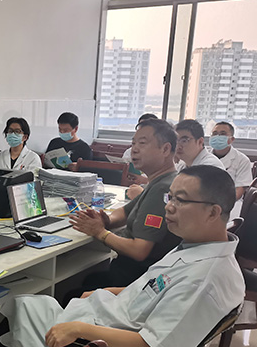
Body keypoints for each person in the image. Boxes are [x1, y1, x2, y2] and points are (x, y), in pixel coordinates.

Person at [0, 166, 244, 347]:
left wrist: (79, 329)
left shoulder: (203, 279)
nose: (169, 207)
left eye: (180, 201)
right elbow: (157, 288)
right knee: (33, 308)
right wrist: (108, 292)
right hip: (114, 320)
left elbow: (148, 346)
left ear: (213, 212)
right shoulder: (197, 247)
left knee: (26, 308)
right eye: (169, 197)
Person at [70, 118, 181, 288]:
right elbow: (125, 211)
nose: (134, 149)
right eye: (133, 143)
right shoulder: (160, 182)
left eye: (142, 143)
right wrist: (106, 220)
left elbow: (139, 251)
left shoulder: (163, 189)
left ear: (165, 149)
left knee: (77, 289)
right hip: (140, 273)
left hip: (137, 278)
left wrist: (100, 232)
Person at [210, 121, 254, 200]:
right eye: (214, 133)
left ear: (231, 139)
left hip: (230, 202)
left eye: (222, 134)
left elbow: (240, 189)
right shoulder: (203, 156)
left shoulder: (242, 160)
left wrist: (223, 203)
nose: (217, 137)